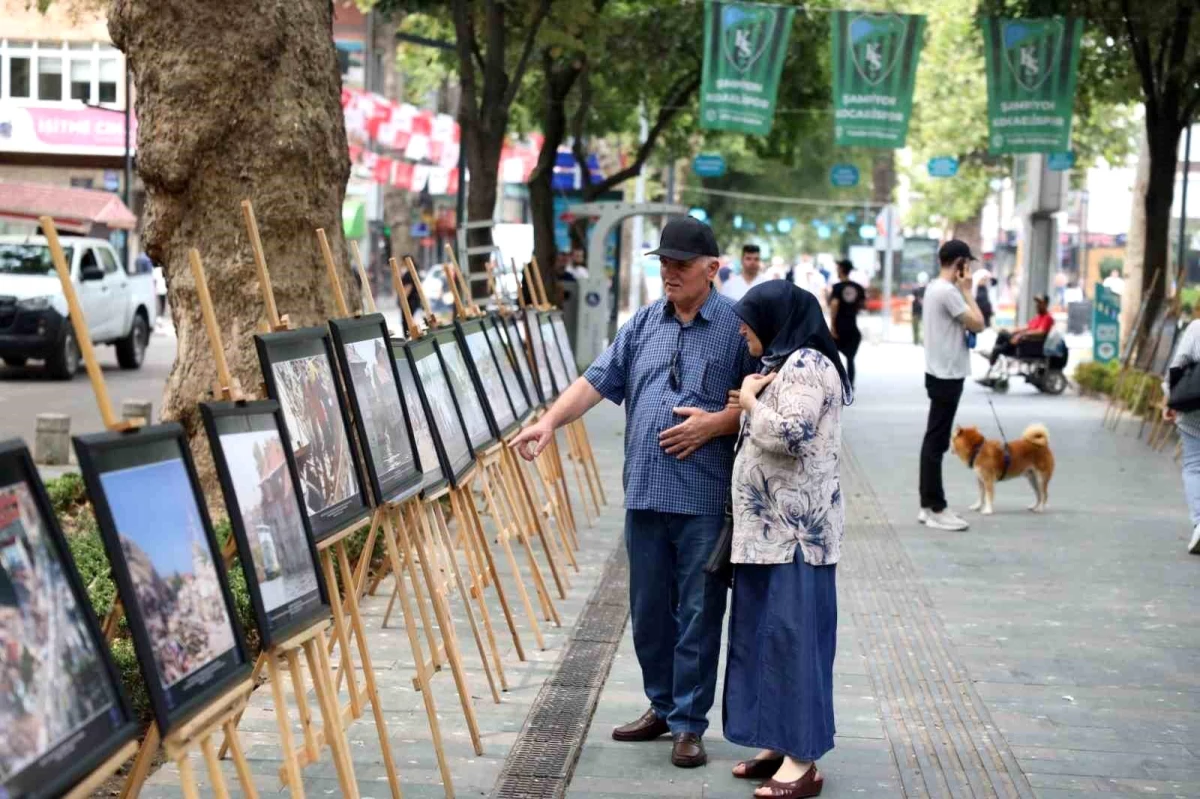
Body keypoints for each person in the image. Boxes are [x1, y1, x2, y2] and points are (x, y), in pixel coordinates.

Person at [511, 216, 754, 768]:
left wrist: (716, 424)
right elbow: (595, 381)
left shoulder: (736, 327)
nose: (669, 272)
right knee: (648, 614)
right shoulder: (643, 323)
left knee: (697, 613)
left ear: (712, 269)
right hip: (643, 494)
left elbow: (760, 401)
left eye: (681, 263)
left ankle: (690, 724)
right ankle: (662, 706)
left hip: (702, 500)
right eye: (663, 262)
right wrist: (549, 423)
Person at [722, 282, 851, 799]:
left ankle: (803, 762)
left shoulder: (805, 364)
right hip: (769, 533)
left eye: (748, 319)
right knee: (764, 638)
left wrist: (750, 402)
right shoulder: (786, 359)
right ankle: (776, 742)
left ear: (775, 318)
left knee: (793, 643)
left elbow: (791, 433)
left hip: (795, 537)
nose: (741, 328)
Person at [919, 240, 985, 532]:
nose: (968, 269)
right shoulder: (949, 292)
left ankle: (928, 505)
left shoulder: (936, 288)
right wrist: (969, 290)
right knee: (936, 442)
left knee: (934, 439)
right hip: (947, 374)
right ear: (959, 263)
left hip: (939, 372)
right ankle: (936, 507)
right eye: (966, 263)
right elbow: (978, 323)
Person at [1163, 317, 1200, 555]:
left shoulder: (1197, 327)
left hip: (1195, 410)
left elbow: (1176, 366)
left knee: (1194, 465)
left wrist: (1170, 398)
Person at [987, 294, 1054, 367]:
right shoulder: (1037, 317)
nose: (1037, 305)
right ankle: (994, 354)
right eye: (1037, 303)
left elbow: (1041, 332)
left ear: (1046, 304)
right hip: (1022, 342)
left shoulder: (1047, 318)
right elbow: (1025, 327)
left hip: (1029, 345)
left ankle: (993, 357)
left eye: (1040, 303)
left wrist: (1022, 335)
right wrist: (1011, 331)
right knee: (1001, 339)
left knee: (1001, 339)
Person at [828, 260, 865, 388]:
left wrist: (832, 327)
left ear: (842, 269)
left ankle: (835, 384)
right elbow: (861, 305)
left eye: (838, 268)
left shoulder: (837, 287)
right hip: (852, 328)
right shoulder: (858, 288)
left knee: (832, 358)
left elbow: (834, 305)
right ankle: (850, 385)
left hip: (838, 328)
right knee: (850, 359)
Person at [911, 271, 928, 346]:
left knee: (919, 327)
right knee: (919, 327)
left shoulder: (926, 290)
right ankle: (918, 341)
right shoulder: (916, 289)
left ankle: (918, 341)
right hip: (918, 311)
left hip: (919, 311)